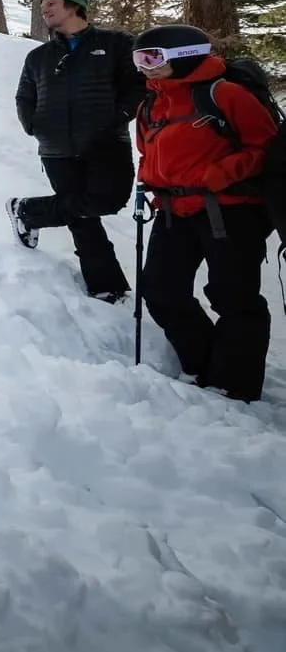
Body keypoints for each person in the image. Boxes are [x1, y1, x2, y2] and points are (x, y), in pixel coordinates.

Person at [131, 24, 278, 402]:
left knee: (233, 296)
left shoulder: (225, 94)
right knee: (161, 290)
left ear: (183, 56)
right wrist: (150, 178)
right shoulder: (150, 103)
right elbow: (148, 151)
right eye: (139, 59)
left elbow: (266, 151)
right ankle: (202, 362)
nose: (144, 67)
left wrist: (216, 176)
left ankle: (234, 386)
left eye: (152, 57)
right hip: (171, 209)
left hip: (229, 211)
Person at [8, 0, 146, 302]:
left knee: (108, 200)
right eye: (43, 7)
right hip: (56, 149)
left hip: (106, 143)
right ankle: (105, 285)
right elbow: (24, 95)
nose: (45, 10)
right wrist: (33, 125)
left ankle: (27, 210)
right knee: (82, 218)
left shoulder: (116, 44)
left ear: (74, 6)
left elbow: (139, 85)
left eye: (52, 4)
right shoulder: (39, 56)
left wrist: (119, 115)